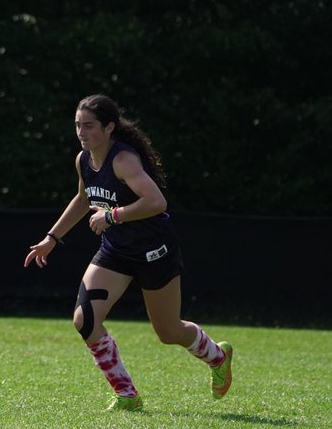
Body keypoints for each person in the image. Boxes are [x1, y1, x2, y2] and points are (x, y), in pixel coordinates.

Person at [24, 94, 233, 411]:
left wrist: (111, 216)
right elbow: (83, 199)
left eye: (89, 125)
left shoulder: (123, 160)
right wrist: (52, 238)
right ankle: (126, 394)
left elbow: (156, 202)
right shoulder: (84, 160)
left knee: (168, 331)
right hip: (116, 252)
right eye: (78, 125)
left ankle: (218, 356)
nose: (81, 132)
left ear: (109, 128)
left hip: (154, 251)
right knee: (85, 321)